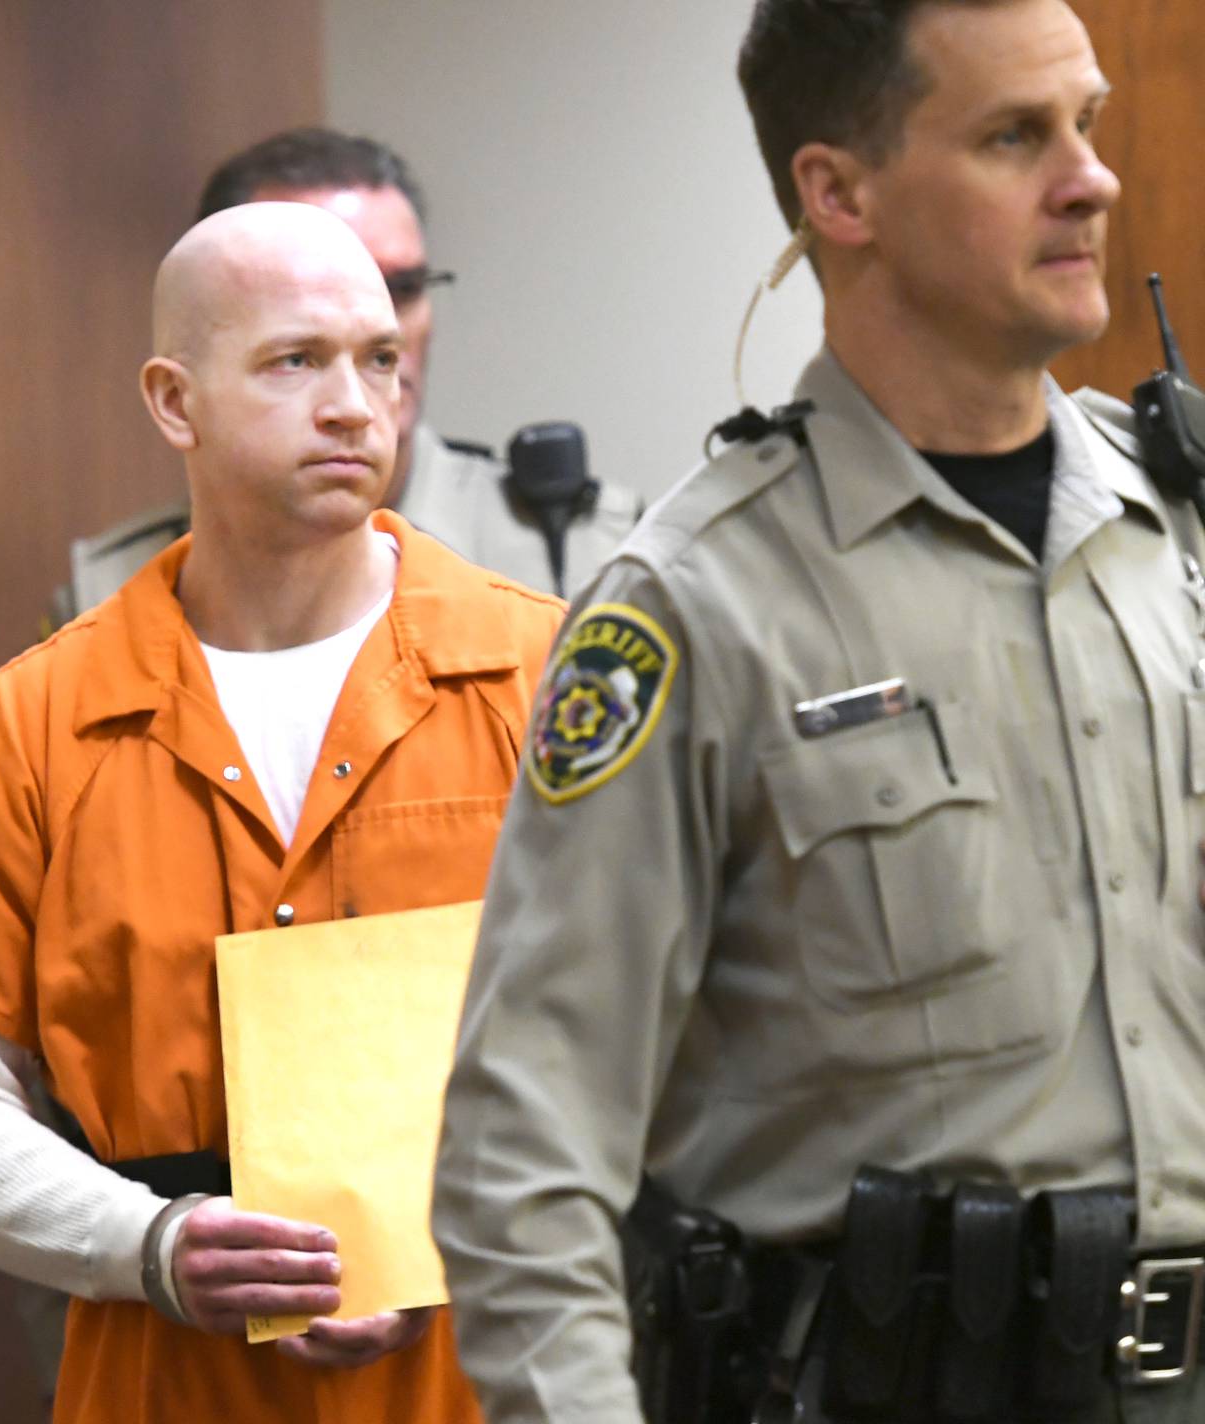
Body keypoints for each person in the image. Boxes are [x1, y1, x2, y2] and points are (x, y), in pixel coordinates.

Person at [433, 2, 1205, 1421]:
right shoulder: (694, 605)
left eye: (1084, 122)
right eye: (1012, 136)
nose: (1088, 176)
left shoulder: (1180, 527)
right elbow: (521, 1160)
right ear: (836, 192)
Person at [0, 202, 562, 1422]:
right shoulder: (36, 726)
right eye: (295, 361)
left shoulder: (539, 676)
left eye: (378, 359)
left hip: (497, 1378)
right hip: (163, 1381)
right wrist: (155, 1240)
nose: (357, 404)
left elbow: (691, 1031)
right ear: (175, 402)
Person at [62, 127, 640, 613]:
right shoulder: (111, 594)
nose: (370, 319)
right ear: (176, 398)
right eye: (305, 309)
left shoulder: (583, 550)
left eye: (404, 288)